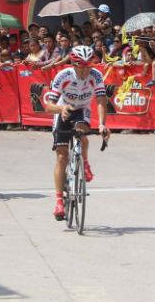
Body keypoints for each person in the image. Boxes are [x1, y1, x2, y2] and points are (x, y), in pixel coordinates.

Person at [45, 45, 110, 220]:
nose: (87, 69)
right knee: (61, 157)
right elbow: (48, 106)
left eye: (90, 65)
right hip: (63, 109)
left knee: (82, 133)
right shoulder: (63, 76)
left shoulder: (96, 76)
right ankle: (59, 202)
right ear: (74, 65)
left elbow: (101, 101)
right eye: (82, 66)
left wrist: (103, 124)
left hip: (82, 109)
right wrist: (61, 108)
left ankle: (84, 162)